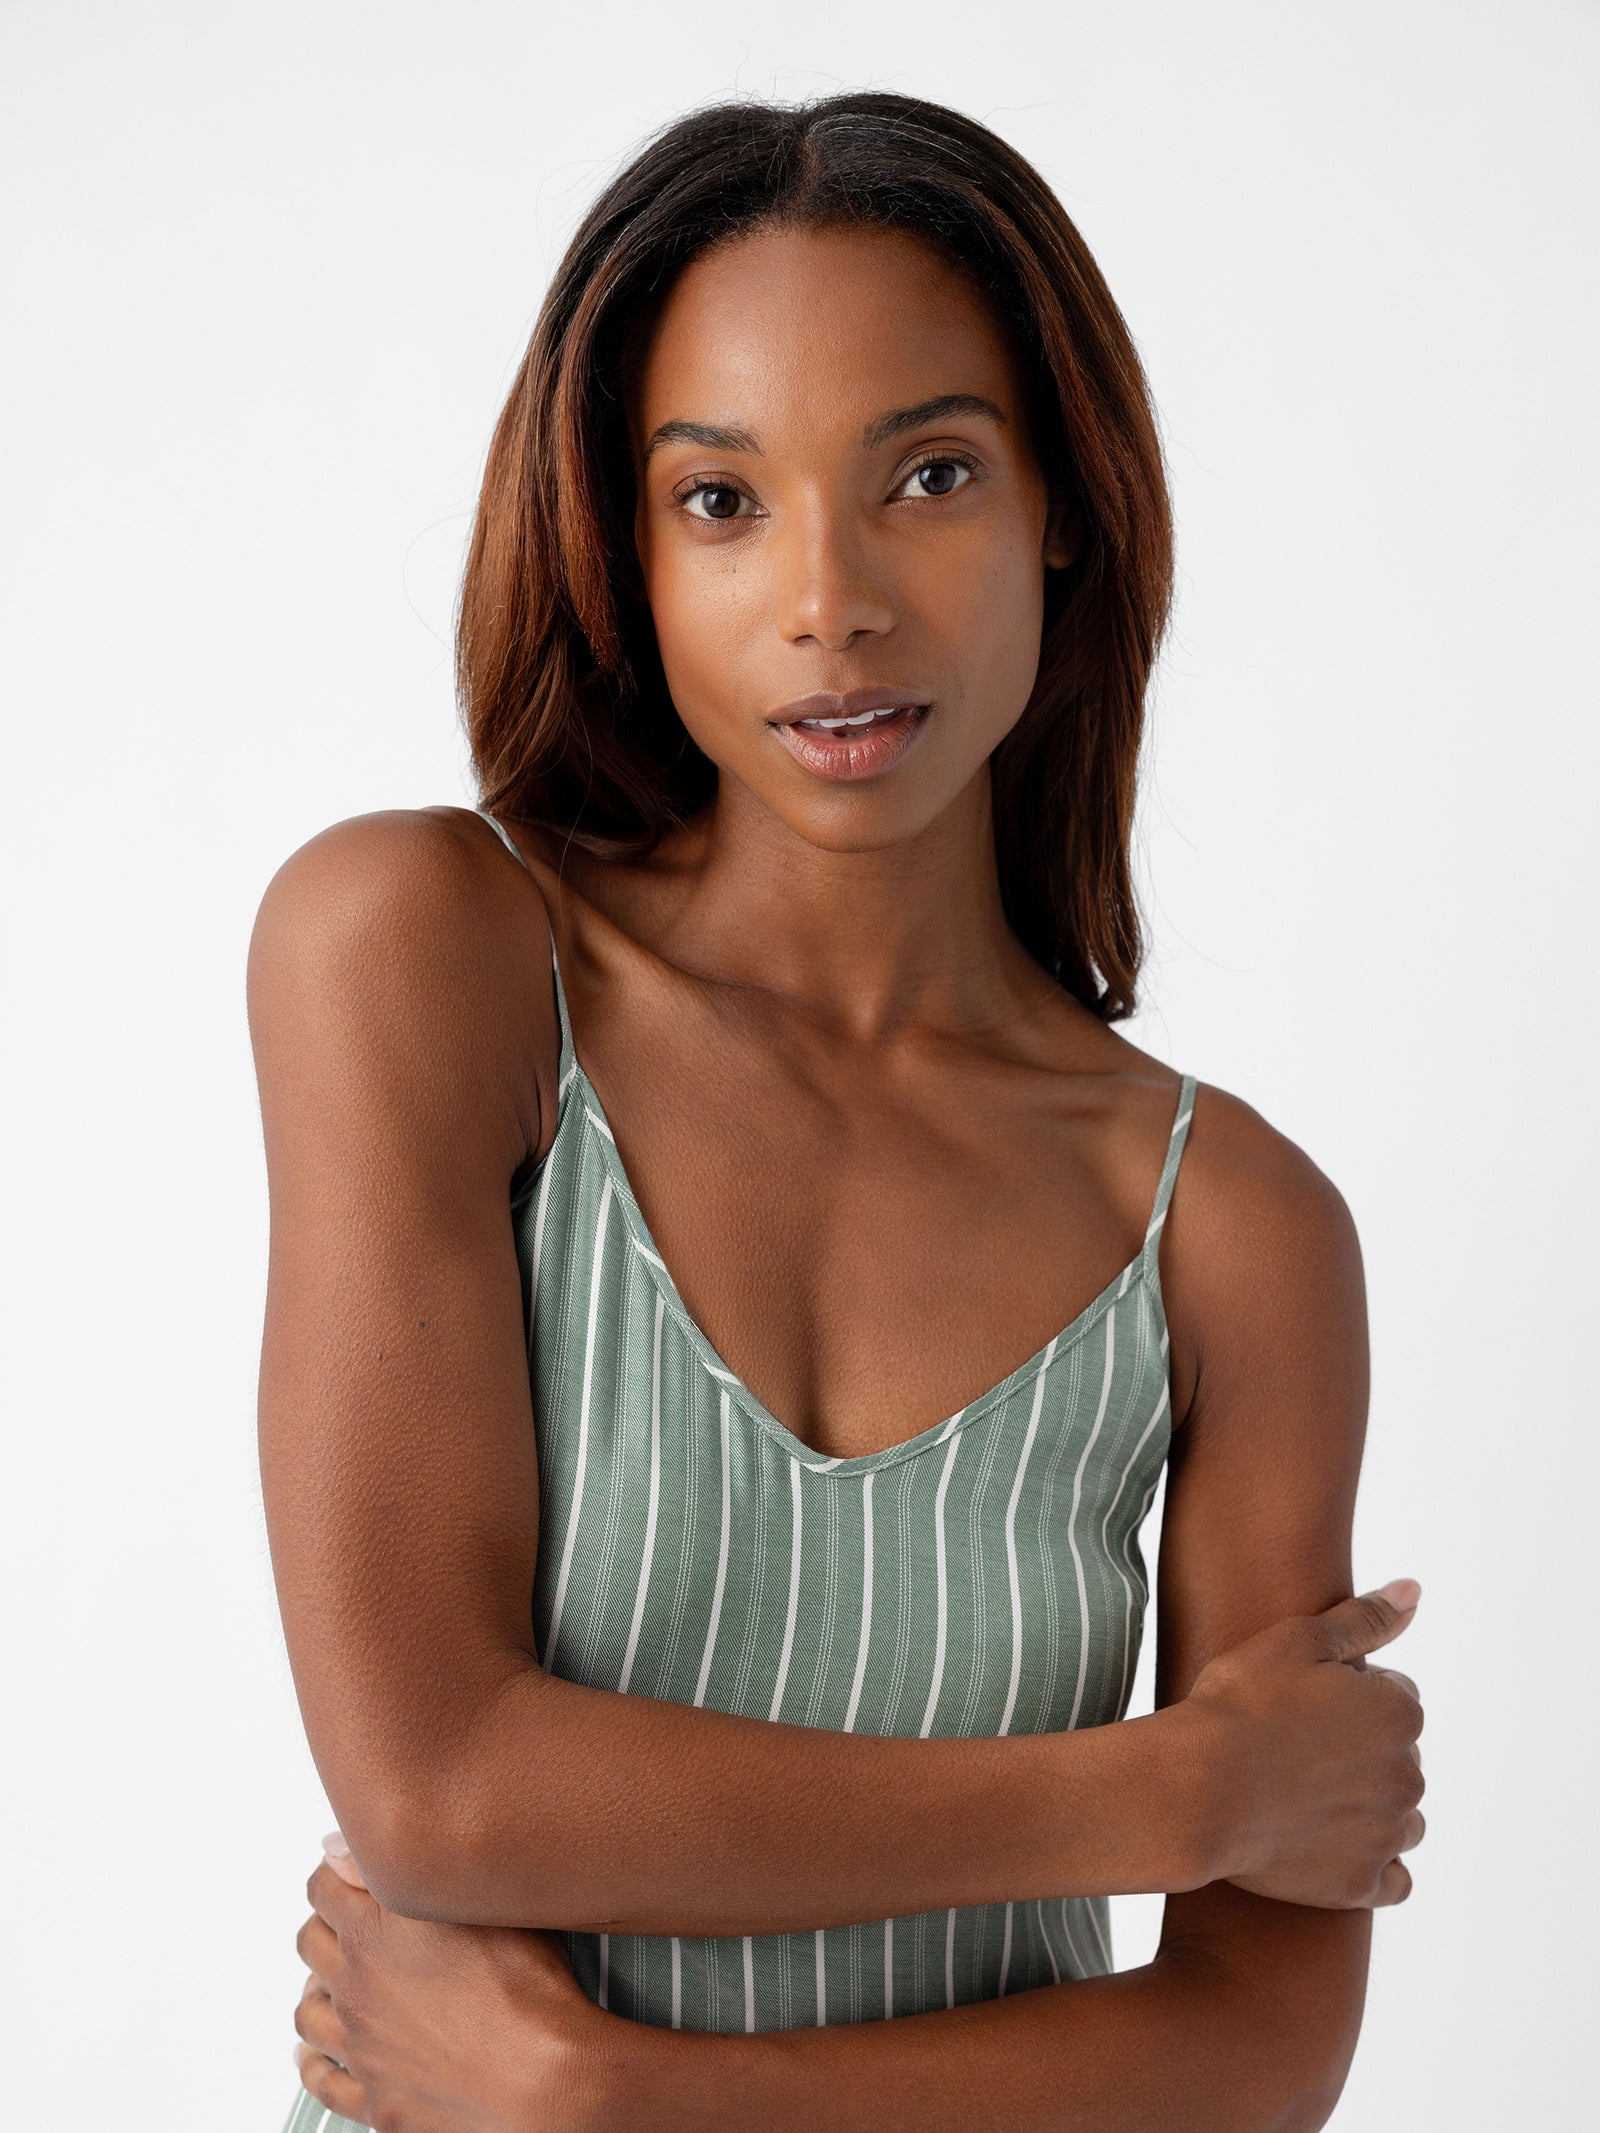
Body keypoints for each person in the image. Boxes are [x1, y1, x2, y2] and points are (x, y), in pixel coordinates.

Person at [254, 91, 1426, 2133]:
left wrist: (619, 2103)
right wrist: (1167, 1787)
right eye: (721, 501)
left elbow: (1252, 2053)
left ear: (1060, 499)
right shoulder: (425, 958)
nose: (829, 599)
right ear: (616, 540)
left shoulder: (1227, 1228)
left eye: (928, 475)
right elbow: (439, 1784)